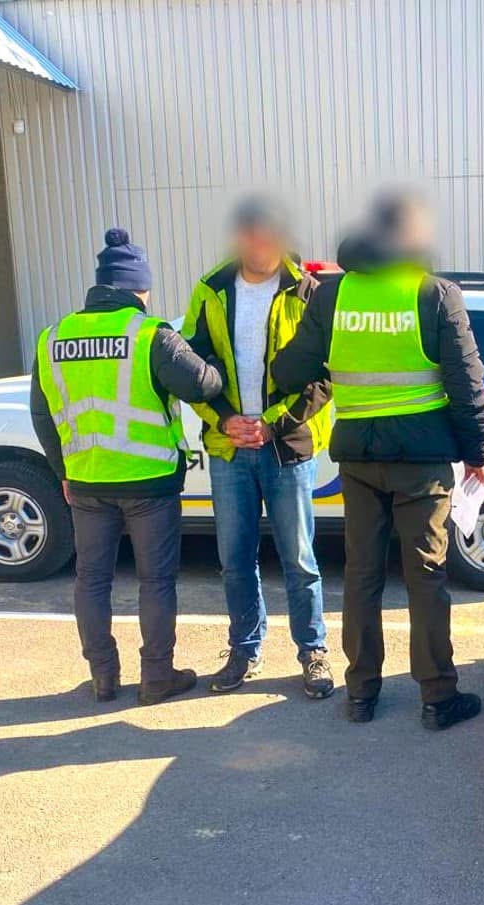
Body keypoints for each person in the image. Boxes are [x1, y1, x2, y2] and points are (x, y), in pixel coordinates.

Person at [272, 192, 484, 730]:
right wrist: (478, 454)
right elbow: (467, 383)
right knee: (426, 576)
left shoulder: (332, 294)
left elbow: (288, 371)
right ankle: (438, 697)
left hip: (359, 459)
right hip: (423, 460)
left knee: (362, 575)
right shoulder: (434, 293)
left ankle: (361, 693)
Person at [30, 228, 226, 705]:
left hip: (86, 481)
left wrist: (62, 471)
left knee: (91, 580)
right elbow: (204, 385)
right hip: (148, 483)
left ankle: (103, 676)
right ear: (140, 288)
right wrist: (208, 354)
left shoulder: (52, 337)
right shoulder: (149, 334)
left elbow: (41, 413)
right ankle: (156, 677)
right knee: (155, 581)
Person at [182, 196, 335, 697]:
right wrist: (224, 420)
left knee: (300, 559)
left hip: (286, 446)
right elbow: (189, 368)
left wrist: (270, 424)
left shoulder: (308, 291)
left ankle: (313, 651)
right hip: (229, 448)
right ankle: (244, 649)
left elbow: (325, 376)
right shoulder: (210, 290)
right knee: (234, 560)